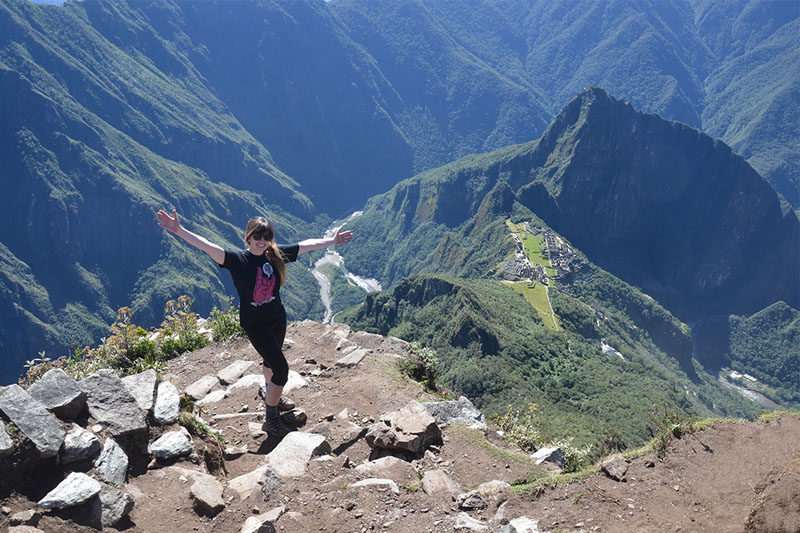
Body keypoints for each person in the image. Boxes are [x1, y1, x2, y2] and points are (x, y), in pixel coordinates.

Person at [156, 209, 353, 438]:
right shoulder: (238, 261)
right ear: (248, 237)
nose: (262, 241)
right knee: (281, 369)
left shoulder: (275, 255)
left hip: (277, 318)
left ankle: (272, 394)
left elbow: (305, 245)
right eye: (257, 237)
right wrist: (179, 230)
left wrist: (332, 241)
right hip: (255, 324)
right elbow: (207, 246)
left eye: (266, 237)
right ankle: (271, 419)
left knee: (271, 361)